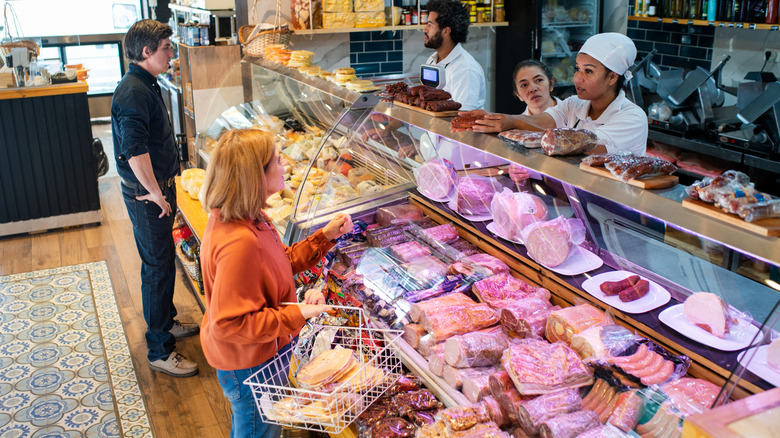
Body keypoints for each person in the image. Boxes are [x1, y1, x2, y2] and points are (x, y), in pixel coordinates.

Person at [199, 129, 353, 438]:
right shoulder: (239, 242)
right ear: (255, 175)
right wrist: (298, 314)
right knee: (257, 431)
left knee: (252, 427)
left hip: (260, 354)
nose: (284, 165)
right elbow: (229, 324)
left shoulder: (251, 217)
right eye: (277, 161)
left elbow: (279, 262)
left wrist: (324, 237)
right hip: (250, 364)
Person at [111, 19, 199, 378]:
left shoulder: (145, 82)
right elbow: (134, 151)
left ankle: (167, 321)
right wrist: (155, 193)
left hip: (157, 189)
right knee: (158, 268)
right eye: (166, 47)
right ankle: (160, 349)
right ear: (146, 51)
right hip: (147, 195)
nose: (171, 53)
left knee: (163, 261)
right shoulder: (133, 91)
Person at [466, 33, 648, 155]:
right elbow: (540, 121)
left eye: (588, 71)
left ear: (612, 77)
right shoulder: (574, 104)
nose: (577, 79)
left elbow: (588, 144)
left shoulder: (632, 117)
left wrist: (509, 125)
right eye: (578, 69)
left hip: (615, 207)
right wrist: (499, 119)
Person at [424, 0, 486, 111]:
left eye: (430, 25)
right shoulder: (432, 60)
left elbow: (463, 116)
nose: (425, 29)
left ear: (446, 31)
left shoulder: (465, 69)